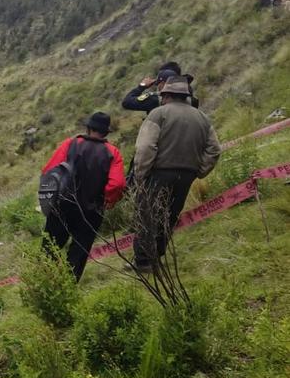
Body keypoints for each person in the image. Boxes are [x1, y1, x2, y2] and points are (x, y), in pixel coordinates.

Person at [133, 76, 221, 272]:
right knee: (170, 215)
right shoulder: (202, 118)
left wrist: (141, 174)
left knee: (147, 214)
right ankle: (157, 257)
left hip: (159, 173)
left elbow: (146, 147)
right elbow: (214, 150)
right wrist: (200, 171)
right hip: (187, 175)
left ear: (167, 95)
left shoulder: (158, 114)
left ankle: (143, 262)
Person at [40, 113, 126, 281]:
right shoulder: (113, 153)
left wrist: (50, 199)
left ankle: (43, 282)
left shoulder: (70, 144)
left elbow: (49, 172)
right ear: (106, 132)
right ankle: (69, 287)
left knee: (50, 248)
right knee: (79, 252)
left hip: (62, 207)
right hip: (91, 211)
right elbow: (117, 185)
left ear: (88, 128)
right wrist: (108, 200)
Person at [122, 62, 198, 114]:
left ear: (162, 83)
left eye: (158, 83)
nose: (158, 87)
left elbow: (127, 102)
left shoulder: (155, 100)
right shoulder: (191, 100)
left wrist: (141, 86)